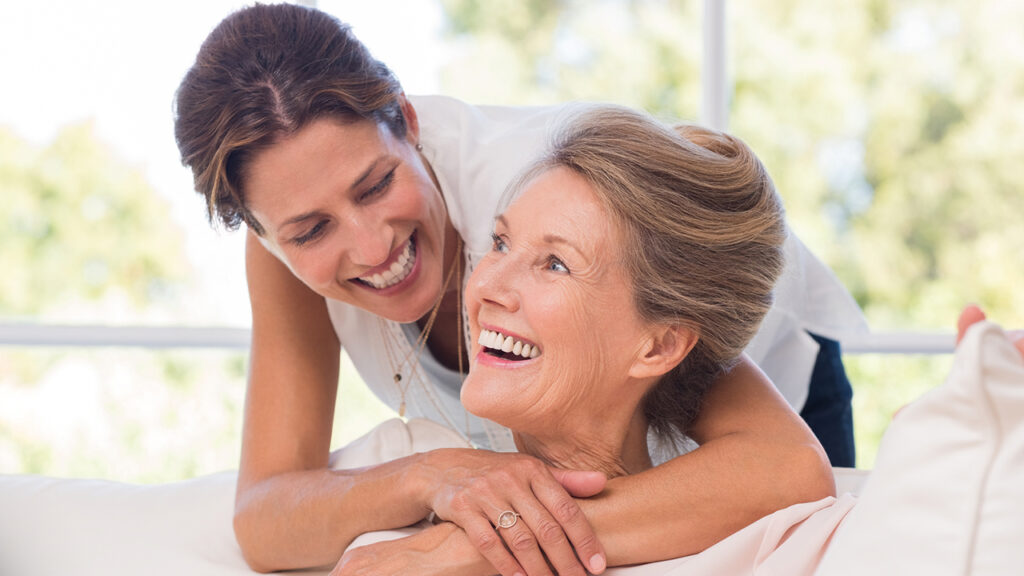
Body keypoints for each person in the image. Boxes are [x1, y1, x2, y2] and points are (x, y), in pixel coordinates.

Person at [173, 4, 855, 574]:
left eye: (377, 185)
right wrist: (429, 475)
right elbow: (266, 515)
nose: (372, 246)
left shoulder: (535, 203)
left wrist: (459, 551)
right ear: (263, 234)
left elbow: (784, 467)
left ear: (408, 123)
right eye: (310, 230)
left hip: (765, 365)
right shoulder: (284, 245)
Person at [332, 104, 828, 574]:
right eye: (500, 243)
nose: (486, 287)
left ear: (658, 347)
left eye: (555, 264)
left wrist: (501, 543)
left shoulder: (772, 545)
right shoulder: (394, 487)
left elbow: (795, 469)